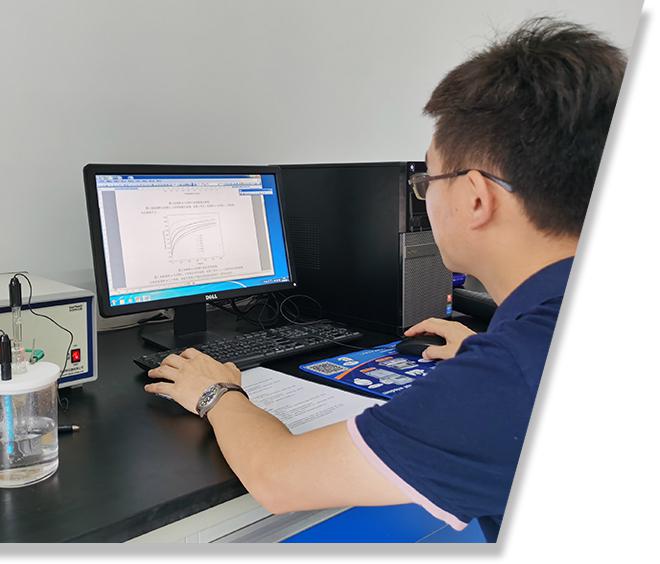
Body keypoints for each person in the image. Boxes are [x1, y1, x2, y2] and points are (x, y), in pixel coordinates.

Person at [144, 18, 626, 542]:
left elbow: (278, 478)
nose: (424, 198)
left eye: (425, 181)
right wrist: (488, 350)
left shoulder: (513, 375)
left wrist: (216, 391)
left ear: (475, 198)